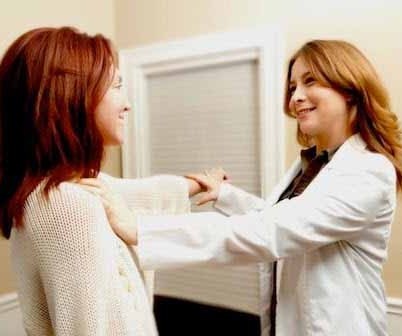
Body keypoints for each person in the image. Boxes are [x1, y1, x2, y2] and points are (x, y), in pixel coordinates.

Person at [81, 40, 402, 336]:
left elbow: (272, 230)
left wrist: (141, 229)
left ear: (349, 88)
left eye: (310, 81)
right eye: (292, 87)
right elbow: (284, 217)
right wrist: (225, 196)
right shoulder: (315, 163)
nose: (295, 97)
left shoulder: (368, 172)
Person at [0, 26, 202, 335]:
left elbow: (143, 192)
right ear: (72, 97)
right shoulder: (68, 207)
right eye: (117, 85)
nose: (127, 104)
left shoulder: (68, 187)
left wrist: (200, 183)